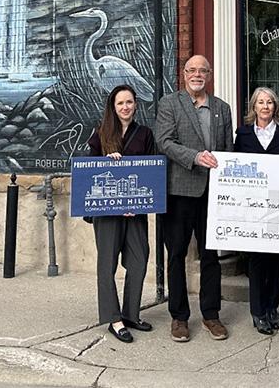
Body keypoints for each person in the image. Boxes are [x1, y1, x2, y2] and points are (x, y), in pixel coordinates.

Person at [155, 54, 234, 342]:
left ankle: (211, 314)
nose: (197, 75)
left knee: (211, 255)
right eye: (192, 70)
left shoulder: (222, 108)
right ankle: (179, 317)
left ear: (209, 75)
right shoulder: (169, 104)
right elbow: (164, 141)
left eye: (203, 70)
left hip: (212, 192)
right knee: (176, 254)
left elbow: (228, 149)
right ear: (184, 74)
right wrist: (195, 157)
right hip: (179, 191)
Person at [88, 85, 156, 343]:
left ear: (136, 104)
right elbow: (88, 169)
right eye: (120, 103)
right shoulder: (101, 133)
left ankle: (131, 314)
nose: (125, 107)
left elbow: (150, 171)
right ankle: (114, 319)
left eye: (129, 102)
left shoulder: (145, 134)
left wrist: (138, 204)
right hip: (107, 212)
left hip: (135, 210)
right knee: (107, 264)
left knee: (139, 259)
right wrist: (105, 161)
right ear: (113, 107)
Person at [234, 87, 279, 335]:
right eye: (260, 102)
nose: (265, 106)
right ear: (253, 107)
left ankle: (272, 307)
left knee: (277, 259)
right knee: (257, 260)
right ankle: (258, 312)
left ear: (275, 106)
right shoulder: (244, 134)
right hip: (253, 207)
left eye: (269, 102)